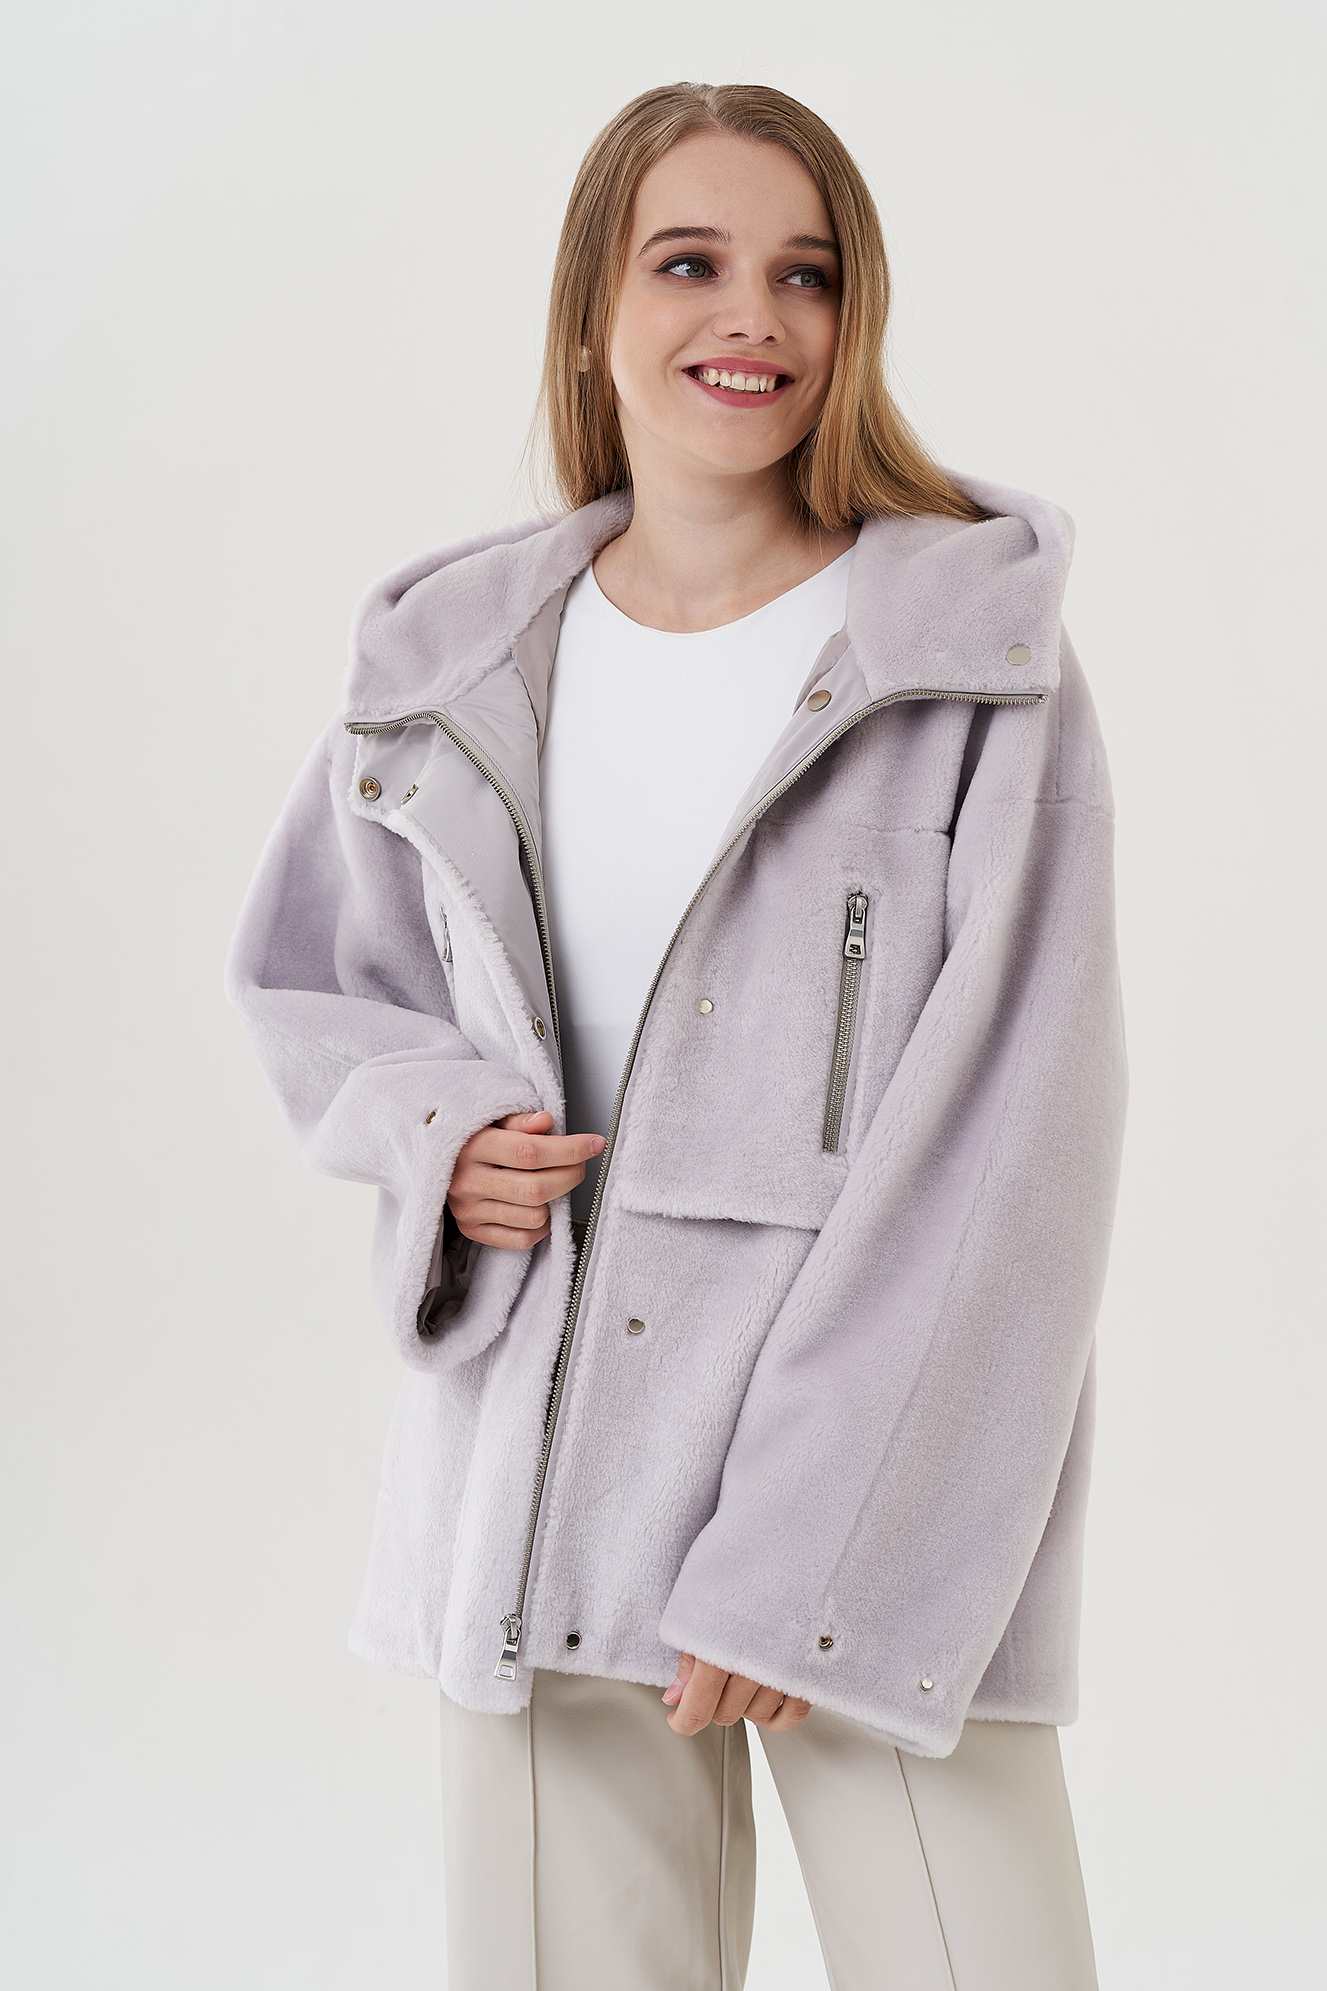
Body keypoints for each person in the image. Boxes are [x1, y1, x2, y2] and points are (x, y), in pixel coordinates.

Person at [227, 80, 1126, 1991]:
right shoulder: (451, 655)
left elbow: (1016, 1142)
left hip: (882, 1481)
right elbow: (323, 983)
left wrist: (816, 1544)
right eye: (690, 264)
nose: (754, 319)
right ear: (592, 312)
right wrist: (442, 1139)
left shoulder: (970, 658)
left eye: (806, 274)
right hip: (545, 1473)